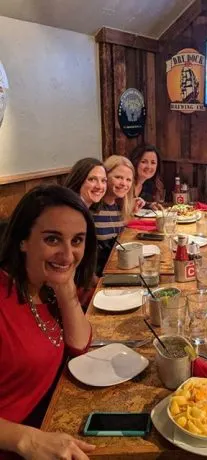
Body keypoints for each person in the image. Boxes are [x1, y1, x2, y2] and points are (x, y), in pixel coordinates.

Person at [0, 185, 97, 460]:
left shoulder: (45, 286)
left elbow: (79, 345)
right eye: (53, 240)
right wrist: (25, 439)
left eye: (77, 241)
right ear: (23, 240)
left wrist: (65, 286)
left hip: (48, 427)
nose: (67, 255)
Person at [92, 155, 135, 275]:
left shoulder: (119, 207)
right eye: (118, 177)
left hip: (117, 270)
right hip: (97, 276)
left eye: (128, 180)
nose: (124, 183)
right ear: (105, 177)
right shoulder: (92, 208)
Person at [128, 144, 165, 209]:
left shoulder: (148, 185)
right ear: (135, 162)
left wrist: (150, 205)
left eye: (153, 163)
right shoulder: (126, 183)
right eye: (144, 162)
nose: (149, 167)